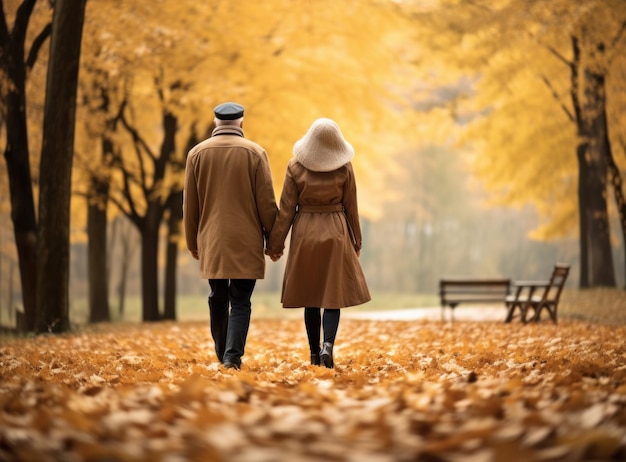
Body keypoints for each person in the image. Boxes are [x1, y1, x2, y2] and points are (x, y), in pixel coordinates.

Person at [266, 118, 371, 368]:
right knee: (332, 295)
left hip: (305, 234)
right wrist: (357, 239)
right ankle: (328, 346)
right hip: (336, 232)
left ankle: (314, 354)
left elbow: (286, 209)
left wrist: (275, 244)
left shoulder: (294, 167)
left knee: (310, 296)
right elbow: (351, 207)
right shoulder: (345, 168)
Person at [183, 102, 278, 370]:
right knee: (241, 301)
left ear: (215, 123)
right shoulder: (256, 153)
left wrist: (193, 241)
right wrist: (273, 241)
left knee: (217, 296)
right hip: (246, 239)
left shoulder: (196, 154)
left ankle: (222, 352)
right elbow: (267, 203)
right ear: (242, 123)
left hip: (212, 240)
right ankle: (231, 357)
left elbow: (190, 205)